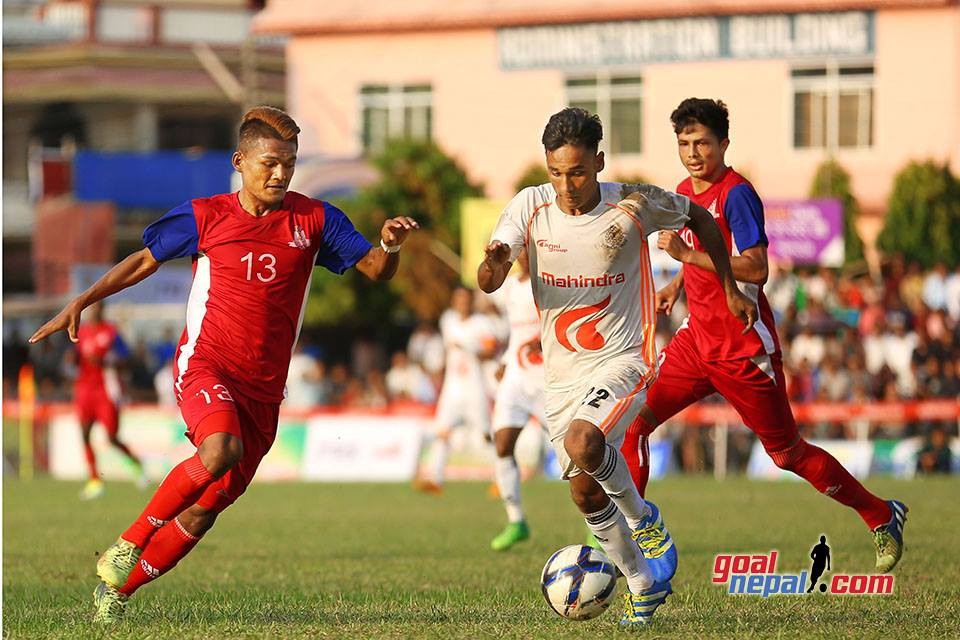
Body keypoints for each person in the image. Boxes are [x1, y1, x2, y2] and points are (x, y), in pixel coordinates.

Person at [29, 105, 418, 623]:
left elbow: (375, 269)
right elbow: (144, 260)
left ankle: (117, 594)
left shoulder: (316, 219)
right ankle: (130, 541)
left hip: (265, 389)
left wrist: (389, 246)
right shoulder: (205, 215)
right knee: (219, 450)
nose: (280, 174)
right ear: (240, 160)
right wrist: (83, 300)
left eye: (290, 164)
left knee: (204, 509)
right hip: (205, 366)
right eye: (269, 163)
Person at [478, 107, 756, 625]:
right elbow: (490, 276)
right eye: (556, 172)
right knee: (584, 490)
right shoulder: (529, 207)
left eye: (578, 171)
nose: (566, 184)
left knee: (587, 443)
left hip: (626, 358)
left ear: (599, 162)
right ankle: (642, 583)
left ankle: (643, 519)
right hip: (562, 377)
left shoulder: (635, 203)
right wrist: (493, 264)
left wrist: (728, 285)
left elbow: (701, 219)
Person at [621, 97, 907, 574]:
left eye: (703, 143)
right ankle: (635, 546)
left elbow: (757, 268)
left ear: (724, 144)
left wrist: (686, 261)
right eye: (685, 144)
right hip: (696, 343)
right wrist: (676, 285)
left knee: (786, 453)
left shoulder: (736, 195)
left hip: (742, 348)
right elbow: (698, 254)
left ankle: (881, 514)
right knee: (633, 424)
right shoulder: (681, 192)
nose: (693, 153)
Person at [486, 247, 546, 551]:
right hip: (516, 376)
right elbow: (514, 332)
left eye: (528, 249)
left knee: (576, 454)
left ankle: (599, 528)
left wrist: (547, 340)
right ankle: (516, 521)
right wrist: (506, 359)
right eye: (519, 250)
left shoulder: (551, 282)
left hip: (549, 377)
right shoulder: (510, 287)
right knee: (502, 444)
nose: (523, 255)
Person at [413, 286, 498, 493]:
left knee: (486, 434)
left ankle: (501, 480)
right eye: (458, 299)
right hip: (452, 388)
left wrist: (470, 349)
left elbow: (490, 351)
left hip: (475, 386)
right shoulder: (447, 320)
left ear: (471, 301)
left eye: (466, 299)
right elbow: (445, 350)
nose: (462, 303)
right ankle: (435, 479)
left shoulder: (482, 324)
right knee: (442, 431)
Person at [72, 301, 148, 499]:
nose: (93, 310)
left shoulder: (111, 332)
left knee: (111, 437)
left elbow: (127, 358)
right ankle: (95, 480)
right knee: (84, 433)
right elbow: (74, 358)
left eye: (97, 307)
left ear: (102, 309)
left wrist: (107, 361)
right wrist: (69, 360)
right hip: (85, 390)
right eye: (91, 307)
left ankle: (137, 466)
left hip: (106, 391)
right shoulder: (82, 332)